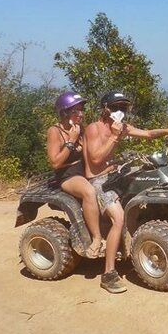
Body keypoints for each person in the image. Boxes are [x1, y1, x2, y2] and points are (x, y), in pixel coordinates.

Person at [83, 91, 168, 293]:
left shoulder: (121, 128)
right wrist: (114, 136)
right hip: (98, 181)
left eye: (123, 108)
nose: (119, 111)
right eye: (115, 108)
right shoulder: (94, 129)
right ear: (105, 109)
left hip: (115, 174)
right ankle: (109, 274)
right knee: (118, 219)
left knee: (148, 182)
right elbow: (94, 160)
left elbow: (146, 134)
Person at [47, 92, 103, 259]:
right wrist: (71, 141)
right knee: (89, 193)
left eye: (81, 111)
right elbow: (55, 162)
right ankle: (96, 238)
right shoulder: (55, 132)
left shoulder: (81, 129)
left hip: (84, 171)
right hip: (67, 175)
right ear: (64, 113)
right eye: (75, 111)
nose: (80, 114)